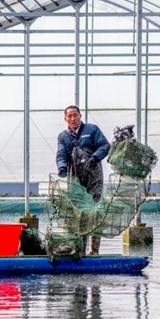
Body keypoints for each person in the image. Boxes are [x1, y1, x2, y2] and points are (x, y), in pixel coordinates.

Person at [55, 105, 110, 255]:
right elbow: (61, 154)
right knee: (78, 213)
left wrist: (95, 158)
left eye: (75, 115)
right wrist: (62, 167)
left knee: (95, 210)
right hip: (76, 179)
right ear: (65, 119)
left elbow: (105, 145)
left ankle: (94, 250)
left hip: (94, 176)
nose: (73, 119)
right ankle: (80, 249)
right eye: (69, 116)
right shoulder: (63, 136)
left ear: (80, 116)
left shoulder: (92, 129)